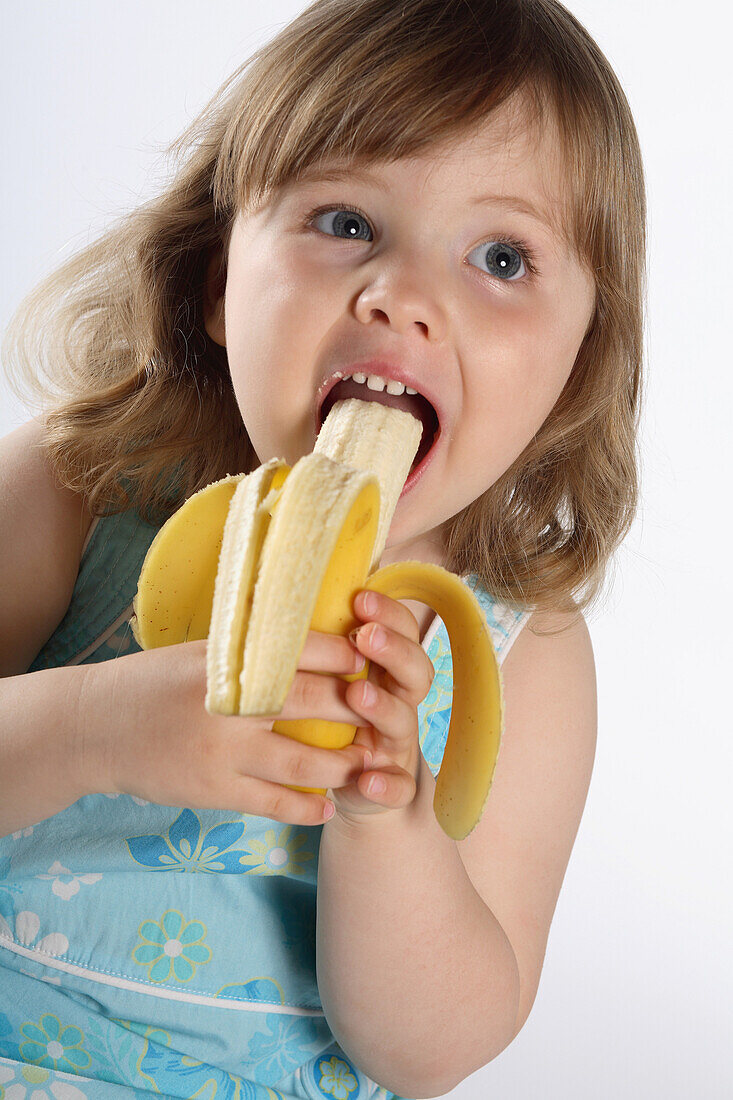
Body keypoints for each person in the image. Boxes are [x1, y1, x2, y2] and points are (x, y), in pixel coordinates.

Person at [0, 0, 646, 1096]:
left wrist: (390, 822)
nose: (401, 297)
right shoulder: (85, 482)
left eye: (500, 255)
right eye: (345, 221)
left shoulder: (519, 647)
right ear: (214, 280)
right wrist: (87, 727)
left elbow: (435, 1046)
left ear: (575, 368)